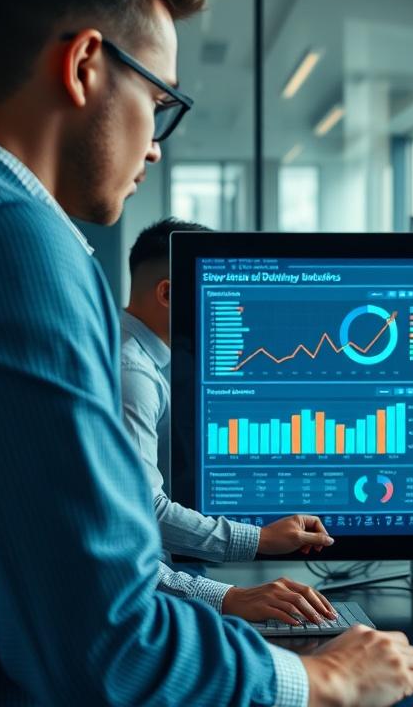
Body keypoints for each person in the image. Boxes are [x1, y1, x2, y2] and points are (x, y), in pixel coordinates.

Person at [0, 0, 413, 705]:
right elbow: (105, 643)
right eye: (159, 101)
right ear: (86, 63)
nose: (153, 144)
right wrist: (325, 677)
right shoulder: (11, 238)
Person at [123, 217, 338, 626]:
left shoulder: (142, 358)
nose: (234, 306)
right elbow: (140, 512)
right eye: (218, 291)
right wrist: (259, 540)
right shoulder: (131, 374)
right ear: (168, 294)